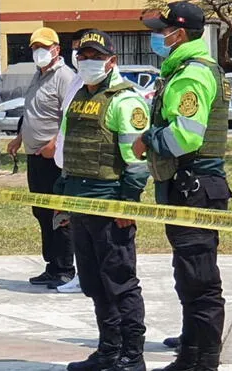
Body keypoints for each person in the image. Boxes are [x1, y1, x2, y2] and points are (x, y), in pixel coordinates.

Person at [136, 3, 232, 370]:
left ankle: (202, 359)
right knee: (189, 274)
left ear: (180, 33)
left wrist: (150, 138)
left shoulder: (191, 75)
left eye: (162, 30)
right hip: (190, 185)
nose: (157, 36)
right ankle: (192, 343)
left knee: (200, 278)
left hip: (194, 186)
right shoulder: (184, 69)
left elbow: (186, 137)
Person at [62, 30, 149, 371]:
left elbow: (137, 163)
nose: (87, 62)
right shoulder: (79, 97)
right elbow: (71, 152)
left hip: (111, 207)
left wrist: (127, 206)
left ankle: (132, 355)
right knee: (95, 284)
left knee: (121, 283)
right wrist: (64, 200)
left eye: (95, 56)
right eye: (83, 56)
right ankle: (108, 351)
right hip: (81, 206)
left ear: (112, 61)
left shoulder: (127, 101)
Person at [6, 27, 76, 289]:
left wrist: (55, 143)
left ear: (57, 49)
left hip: (54, 159)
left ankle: (66, 268)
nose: (39, 52)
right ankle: (52, 265)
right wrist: (19, 137)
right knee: (41, 212)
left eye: (44, 47)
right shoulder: (38, 76)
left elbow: (69, 117)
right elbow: (32, 113)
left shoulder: (65, 77)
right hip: (34, 157)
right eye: (35, 47)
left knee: (59, 212)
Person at [51, 28, 94, 294]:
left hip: (93, 170)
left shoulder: (96, 86)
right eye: (79, 51)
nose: (80, 57)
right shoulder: (77, 82)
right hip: (70, 166)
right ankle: (82, 274)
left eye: (87, 53)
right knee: (77, 226)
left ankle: (87, 275)